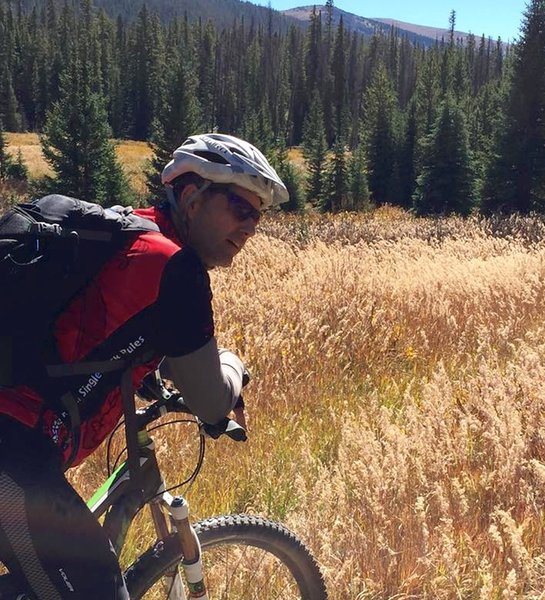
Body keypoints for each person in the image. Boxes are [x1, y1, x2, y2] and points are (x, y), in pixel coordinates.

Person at [0, 133, 288, 600]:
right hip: (11, 456)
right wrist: (233, 367)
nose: (252, 226)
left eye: (259, 214)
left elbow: (100, 331)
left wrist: (149, 370)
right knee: (98, 589)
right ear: (193, 199)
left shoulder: (131, 234)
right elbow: (212, 401)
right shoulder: (176, 270)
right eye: (241, 208)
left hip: (16, 446)